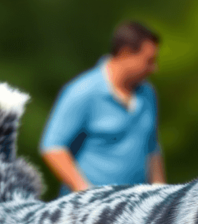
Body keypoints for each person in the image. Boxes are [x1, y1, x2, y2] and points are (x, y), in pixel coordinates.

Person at [40, 21, 165, 196]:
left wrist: (159, 190)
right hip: (89, 213)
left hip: (136, 210)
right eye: (149, 61)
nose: (154, 68)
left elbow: (151, 146)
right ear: (125, 54)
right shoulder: (83, 91)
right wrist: (84, 190)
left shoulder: (148, 94)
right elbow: (53, 146)